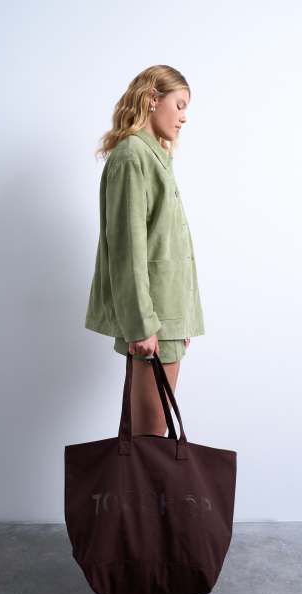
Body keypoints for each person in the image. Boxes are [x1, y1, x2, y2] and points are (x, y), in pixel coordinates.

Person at [84, 65, 205, 437]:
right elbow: (127, 249)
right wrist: (141, 324)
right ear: (153, 99)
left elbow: (165, 244)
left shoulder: (156, 157)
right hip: (152, 319)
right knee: (150, 438)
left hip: (166, 316)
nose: (184, 117)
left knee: (154, 438)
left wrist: (181, 318)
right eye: (179, 105)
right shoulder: (132, 157)